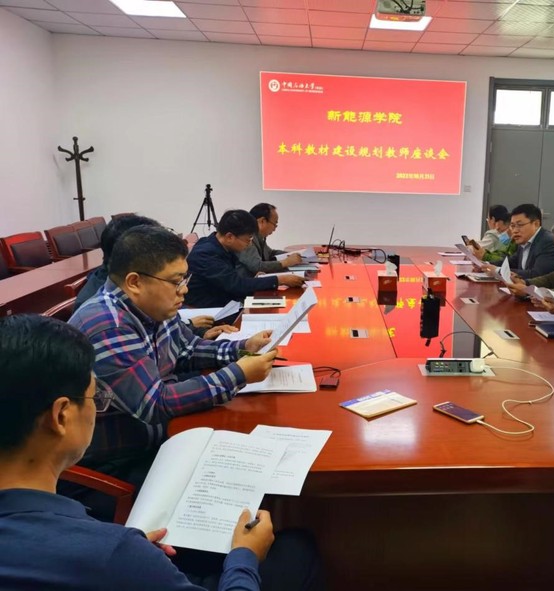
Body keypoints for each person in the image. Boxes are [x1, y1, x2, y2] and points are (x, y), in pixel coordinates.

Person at [0, 314, 322, 591]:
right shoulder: (113, 553)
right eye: (96, 399)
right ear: (61, 416)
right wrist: (245, 556)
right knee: (296, 550)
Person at [69, 226, 280, 486]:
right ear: (135, 282)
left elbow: (187, 349)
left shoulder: (153, 305)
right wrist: (238, 374)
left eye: (184, 279)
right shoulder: (107, 323)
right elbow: (154, 404)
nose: (184, 290)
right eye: (176, 281)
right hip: (120, 461)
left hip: (163, 435)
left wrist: (244, 347)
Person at [75, 214, 231, 339]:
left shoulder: (148, 294)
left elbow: (180, 347)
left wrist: (197, 332)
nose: (184, 289)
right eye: (175, 281)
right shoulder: (106, 319)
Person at [185, 210, 304, 308]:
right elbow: (236, 285)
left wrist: (255, 279)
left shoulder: (221, 246)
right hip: (209, 309)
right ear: (230, 237)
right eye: (248, 239)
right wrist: (279, 280)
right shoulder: (206, 254)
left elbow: (233, 280)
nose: (249, 244)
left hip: (225, 301)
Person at [483, 203, 554, 280]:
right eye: (512, 226)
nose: (515, 231)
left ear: (536, 224)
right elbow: (512, 262)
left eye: (520, 225)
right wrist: (486, 264)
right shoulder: (524, 240)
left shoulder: (548, 242)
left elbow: (536, 274)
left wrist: (498, 271)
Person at [238, 203, 303, 276]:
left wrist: (292, 254)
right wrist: (285, 262)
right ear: (262, 221)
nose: (275, 228)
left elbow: (270, 253)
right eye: (274, 224)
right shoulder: (247, 238)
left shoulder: (258, 236)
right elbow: (257, 266)